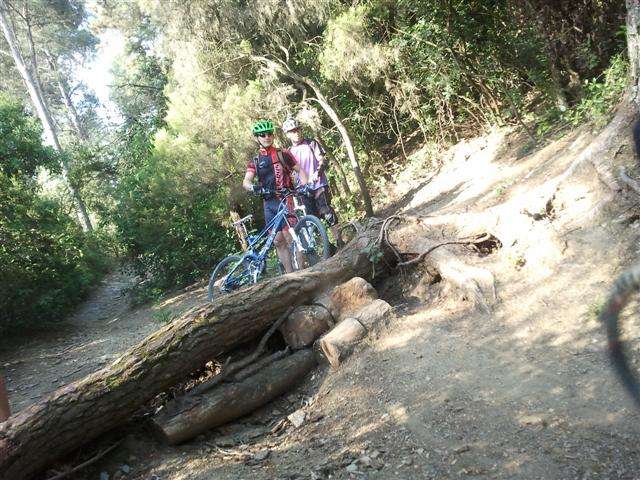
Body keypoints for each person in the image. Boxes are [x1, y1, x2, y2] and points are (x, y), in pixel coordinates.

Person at [242, 119, 308, 273]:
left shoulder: (283, 153)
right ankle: (290, 275)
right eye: (262, 135)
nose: (267, 137)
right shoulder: (256, 160)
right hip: (268, 203)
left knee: (291, 236)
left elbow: (301, 171)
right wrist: (253, 187)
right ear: (257, 137)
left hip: (285, 199)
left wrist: (304, 185)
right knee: (278, 241)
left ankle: (303, 271)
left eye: (269, 134)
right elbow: (246, 181)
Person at [281, 117, 340, 245]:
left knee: (327, 212)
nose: (296, 133)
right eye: (292, 131)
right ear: (288, 134)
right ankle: (327, 247)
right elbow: (289, 173)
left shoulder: (311, 143)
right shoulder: (288, 153)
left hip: (318, 184)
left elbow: (323, 160)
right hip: (302, 190)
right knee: (312, 220)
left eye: (297, 129)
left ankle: (339, 240)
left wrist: (317, 173)